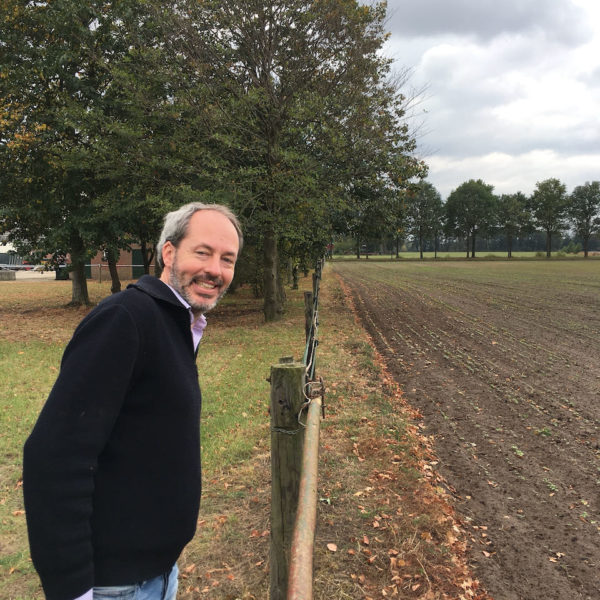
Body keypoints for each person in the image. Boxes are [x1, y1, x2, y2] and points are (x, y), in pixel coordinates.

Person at [23, 203, 242, 600]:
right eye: (203, 252)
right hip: (115, 588)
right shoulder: (127, 318)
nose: (215, 269)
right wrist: (72, 589)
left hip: (157, 575)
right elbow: (54, 455)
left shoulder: (176, 322)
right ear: (169, 253)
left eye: (227, 259)